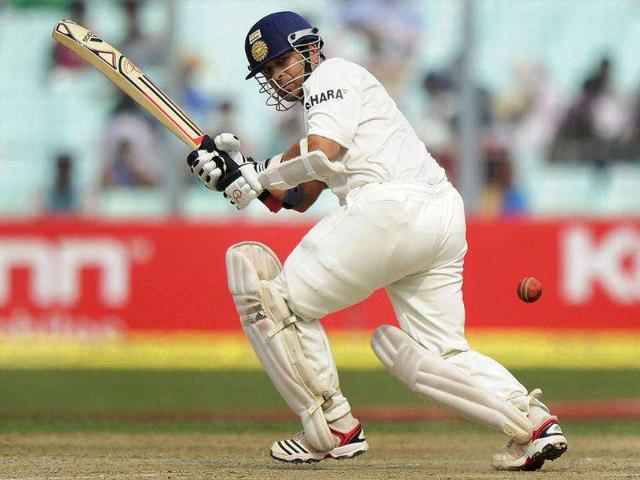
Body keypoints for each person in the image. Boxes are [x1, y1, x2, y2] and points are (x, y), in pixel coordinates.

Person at [185, 11, 568, 470]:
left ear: (308, 49)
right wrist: (238, 174)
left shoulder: (333, 74)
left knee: (266, 295)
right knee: (442, 352)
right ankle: (532, 422)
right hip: (439, 216)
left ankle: (332, 426)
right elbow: (302, 195)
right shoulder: (332, 99)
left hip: (392, 209)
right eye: (267, 72)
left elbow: (321, 155)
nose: (277, 77)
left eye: (281, 62)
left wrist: (256, 172)